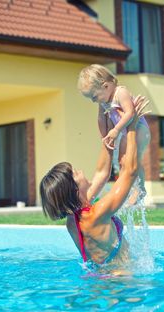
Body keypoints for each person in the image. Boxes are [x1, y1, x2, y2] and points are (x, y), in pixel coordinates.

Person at [40, 96, 148, 269]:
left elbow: (102, 172)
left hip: (99, 280)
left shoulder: (73, 219)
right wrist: (132, 127)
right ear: (75, 189)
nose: (81, 171)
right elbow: (130, 172)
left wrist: (107, 132)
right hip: (121, 282)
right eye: (76, 173)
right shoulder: (98, 214)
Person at [77, 64, 151, 198]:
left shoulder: (120, 93)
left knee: (133, 159)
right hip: (125, 131)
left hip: (140, 129)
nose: (94, 101)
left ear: (105, 86)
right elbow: (100, 118)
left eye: (94, 97)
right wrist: (104, 137)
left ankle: (140, 189)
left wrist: (116, 130)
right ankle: (127, 189)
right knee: (123, 161)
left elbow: (130, 113)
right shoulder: (104, 100)